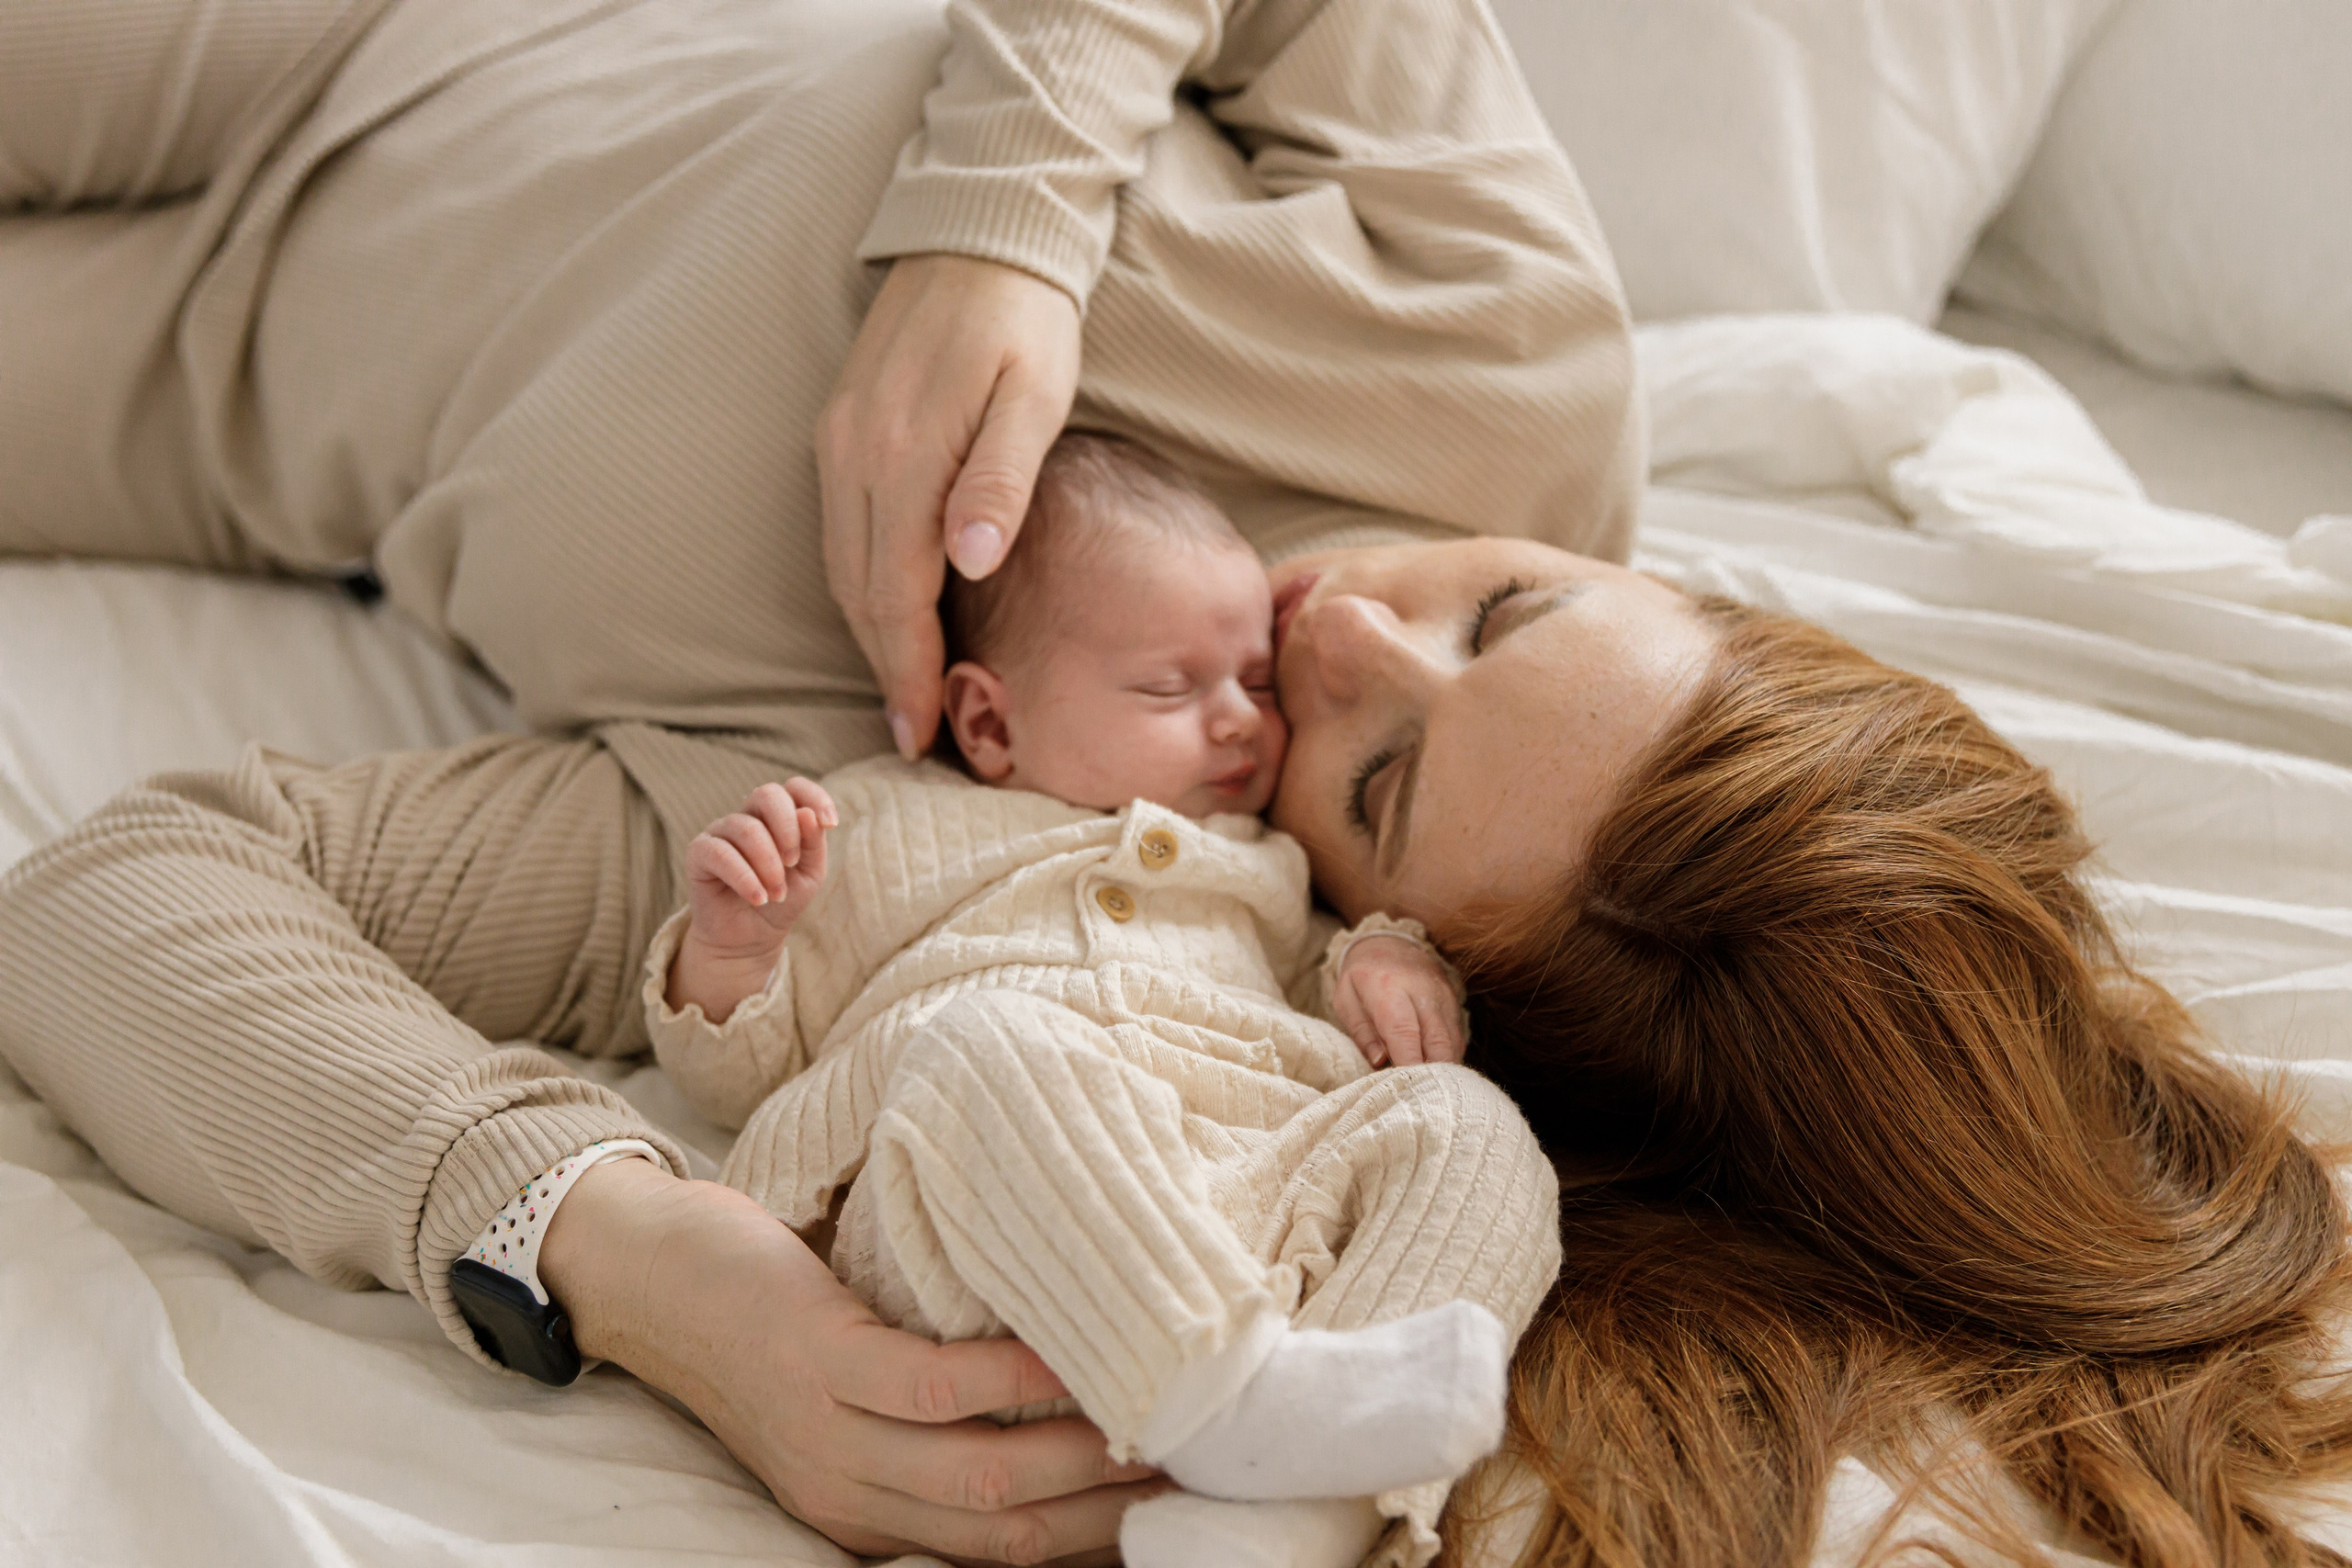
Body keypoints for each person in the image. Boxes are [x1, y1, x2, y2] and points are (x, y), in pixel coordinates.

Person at [5, 6, 2349, 1568]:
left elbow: (119, 891)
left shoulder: (941, 841)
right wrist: (1000, 220)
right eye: (1508, 601)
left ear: (1373, 948)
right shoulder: (1508, 364)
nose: (1340, 619)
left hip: (196, 367)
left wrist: (632, 1253)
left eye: (1384, 767)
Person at [643, 433, 1559, 1568]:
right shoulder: (874, 828)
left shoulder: (1267, 863)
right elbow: (736, 1075)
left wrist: (1385, 965)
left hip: (1242, 1217)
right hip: (979, 1246)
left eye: (1255, 684)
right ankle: (1217, 1395)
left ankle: (1299, 1515)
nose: (1236, 719)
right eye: (1171, 687)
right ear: (989, 723)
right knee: (982, 1039)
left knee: (1468, 1125)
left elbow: (1338, 996)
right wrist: (736, 950)